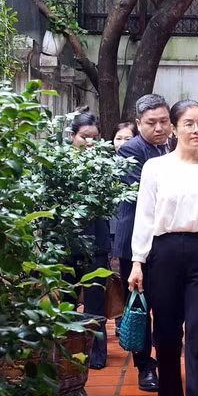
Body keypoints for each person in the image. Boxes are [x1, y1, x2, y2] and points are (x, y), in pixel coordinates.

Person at [127, 100, 198, 396]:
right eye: (188, 123)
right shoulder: (156, 167)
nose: (196, 130)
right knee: (166, 333)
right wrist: (137, 261)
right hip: (165, 253)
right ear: (174, 128)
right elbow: (145, 215)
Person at [113, 93, 173, 391]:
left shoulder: (174, 146)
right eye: (151, 122)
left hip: (167, 242)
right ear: (138, 123)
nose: (159, 128)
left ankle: (167, 360)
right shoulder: (130, 150)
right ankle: (144, 367)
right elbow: (149, 195)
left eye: (164, 121)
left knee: (166, 305)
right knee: (139, 306)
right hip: (134, 242)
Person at [67, 108, 110, 370]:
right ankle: (66, 353)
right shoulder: (59, 165)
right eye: (84, 137)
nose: (90, 143)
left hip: (97, 244)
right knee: (66, 302)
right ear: (72, 136)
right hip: (66, 244)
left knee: (95, 304)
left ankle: (96, 355)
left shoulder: (105, 166)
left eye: (95, 137)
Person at [110, 121, 139, 332]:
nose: (122, 143)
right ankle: (121, 318)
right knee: (116, 278)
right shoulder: (104, 165)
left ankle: (130, 322)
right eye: (118, 138)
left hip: (128, 228)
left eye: (128, 139)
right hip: (113, 228)